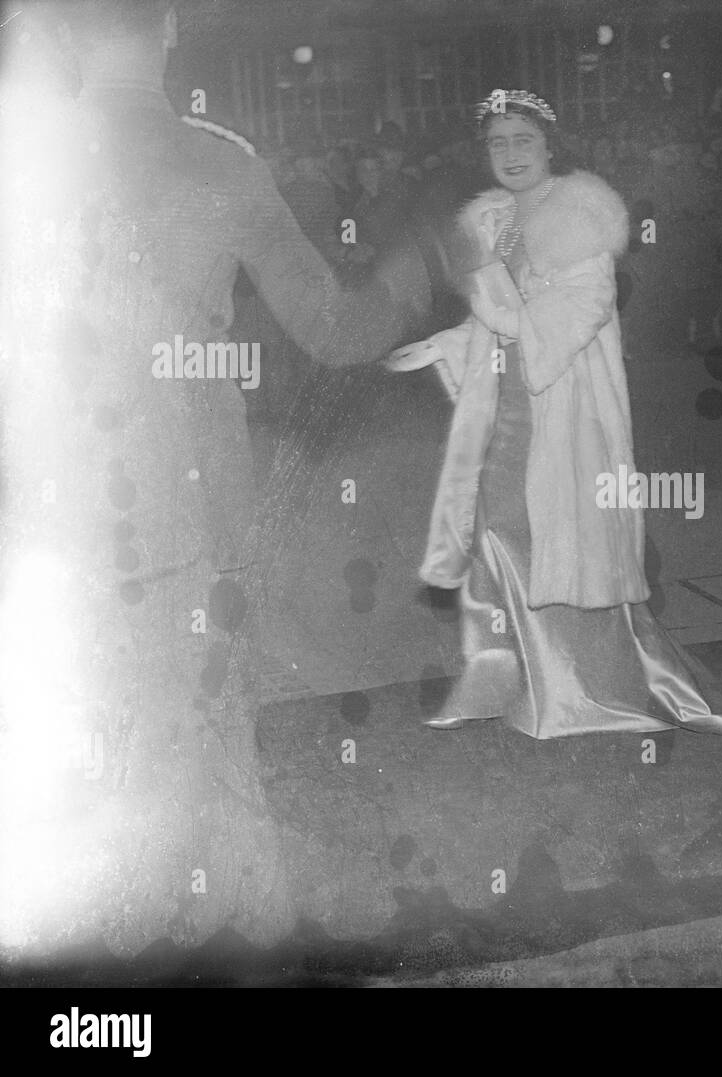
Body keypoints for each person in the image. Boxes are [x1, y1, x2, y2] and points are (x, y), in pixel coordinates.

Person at [0, 0, 428, 956]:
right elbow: (336, 328)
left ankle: (93, 918)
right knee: (199, 702)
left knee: (82, 695)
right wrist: (420, 266)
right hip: (189, 493)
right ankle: (204, 907)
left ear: (66, 37)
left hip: (57, 497)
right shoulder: (221, 163)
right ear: (168, 29)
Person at [386, 89, 722, 740]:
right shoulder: (492, 220)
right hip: (503, 413)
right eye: (498, 142)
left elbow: (555, 324)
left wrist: (486, 284)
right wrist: (445, 343)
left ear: (549, 146)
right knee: (498, 541)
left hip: (562, 410)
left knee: (558, 543)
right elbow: (494, 326)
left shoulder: (582, 221)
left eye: (523, 140)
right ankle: (512, 680)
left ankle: (580, 689)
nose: (510, 154)